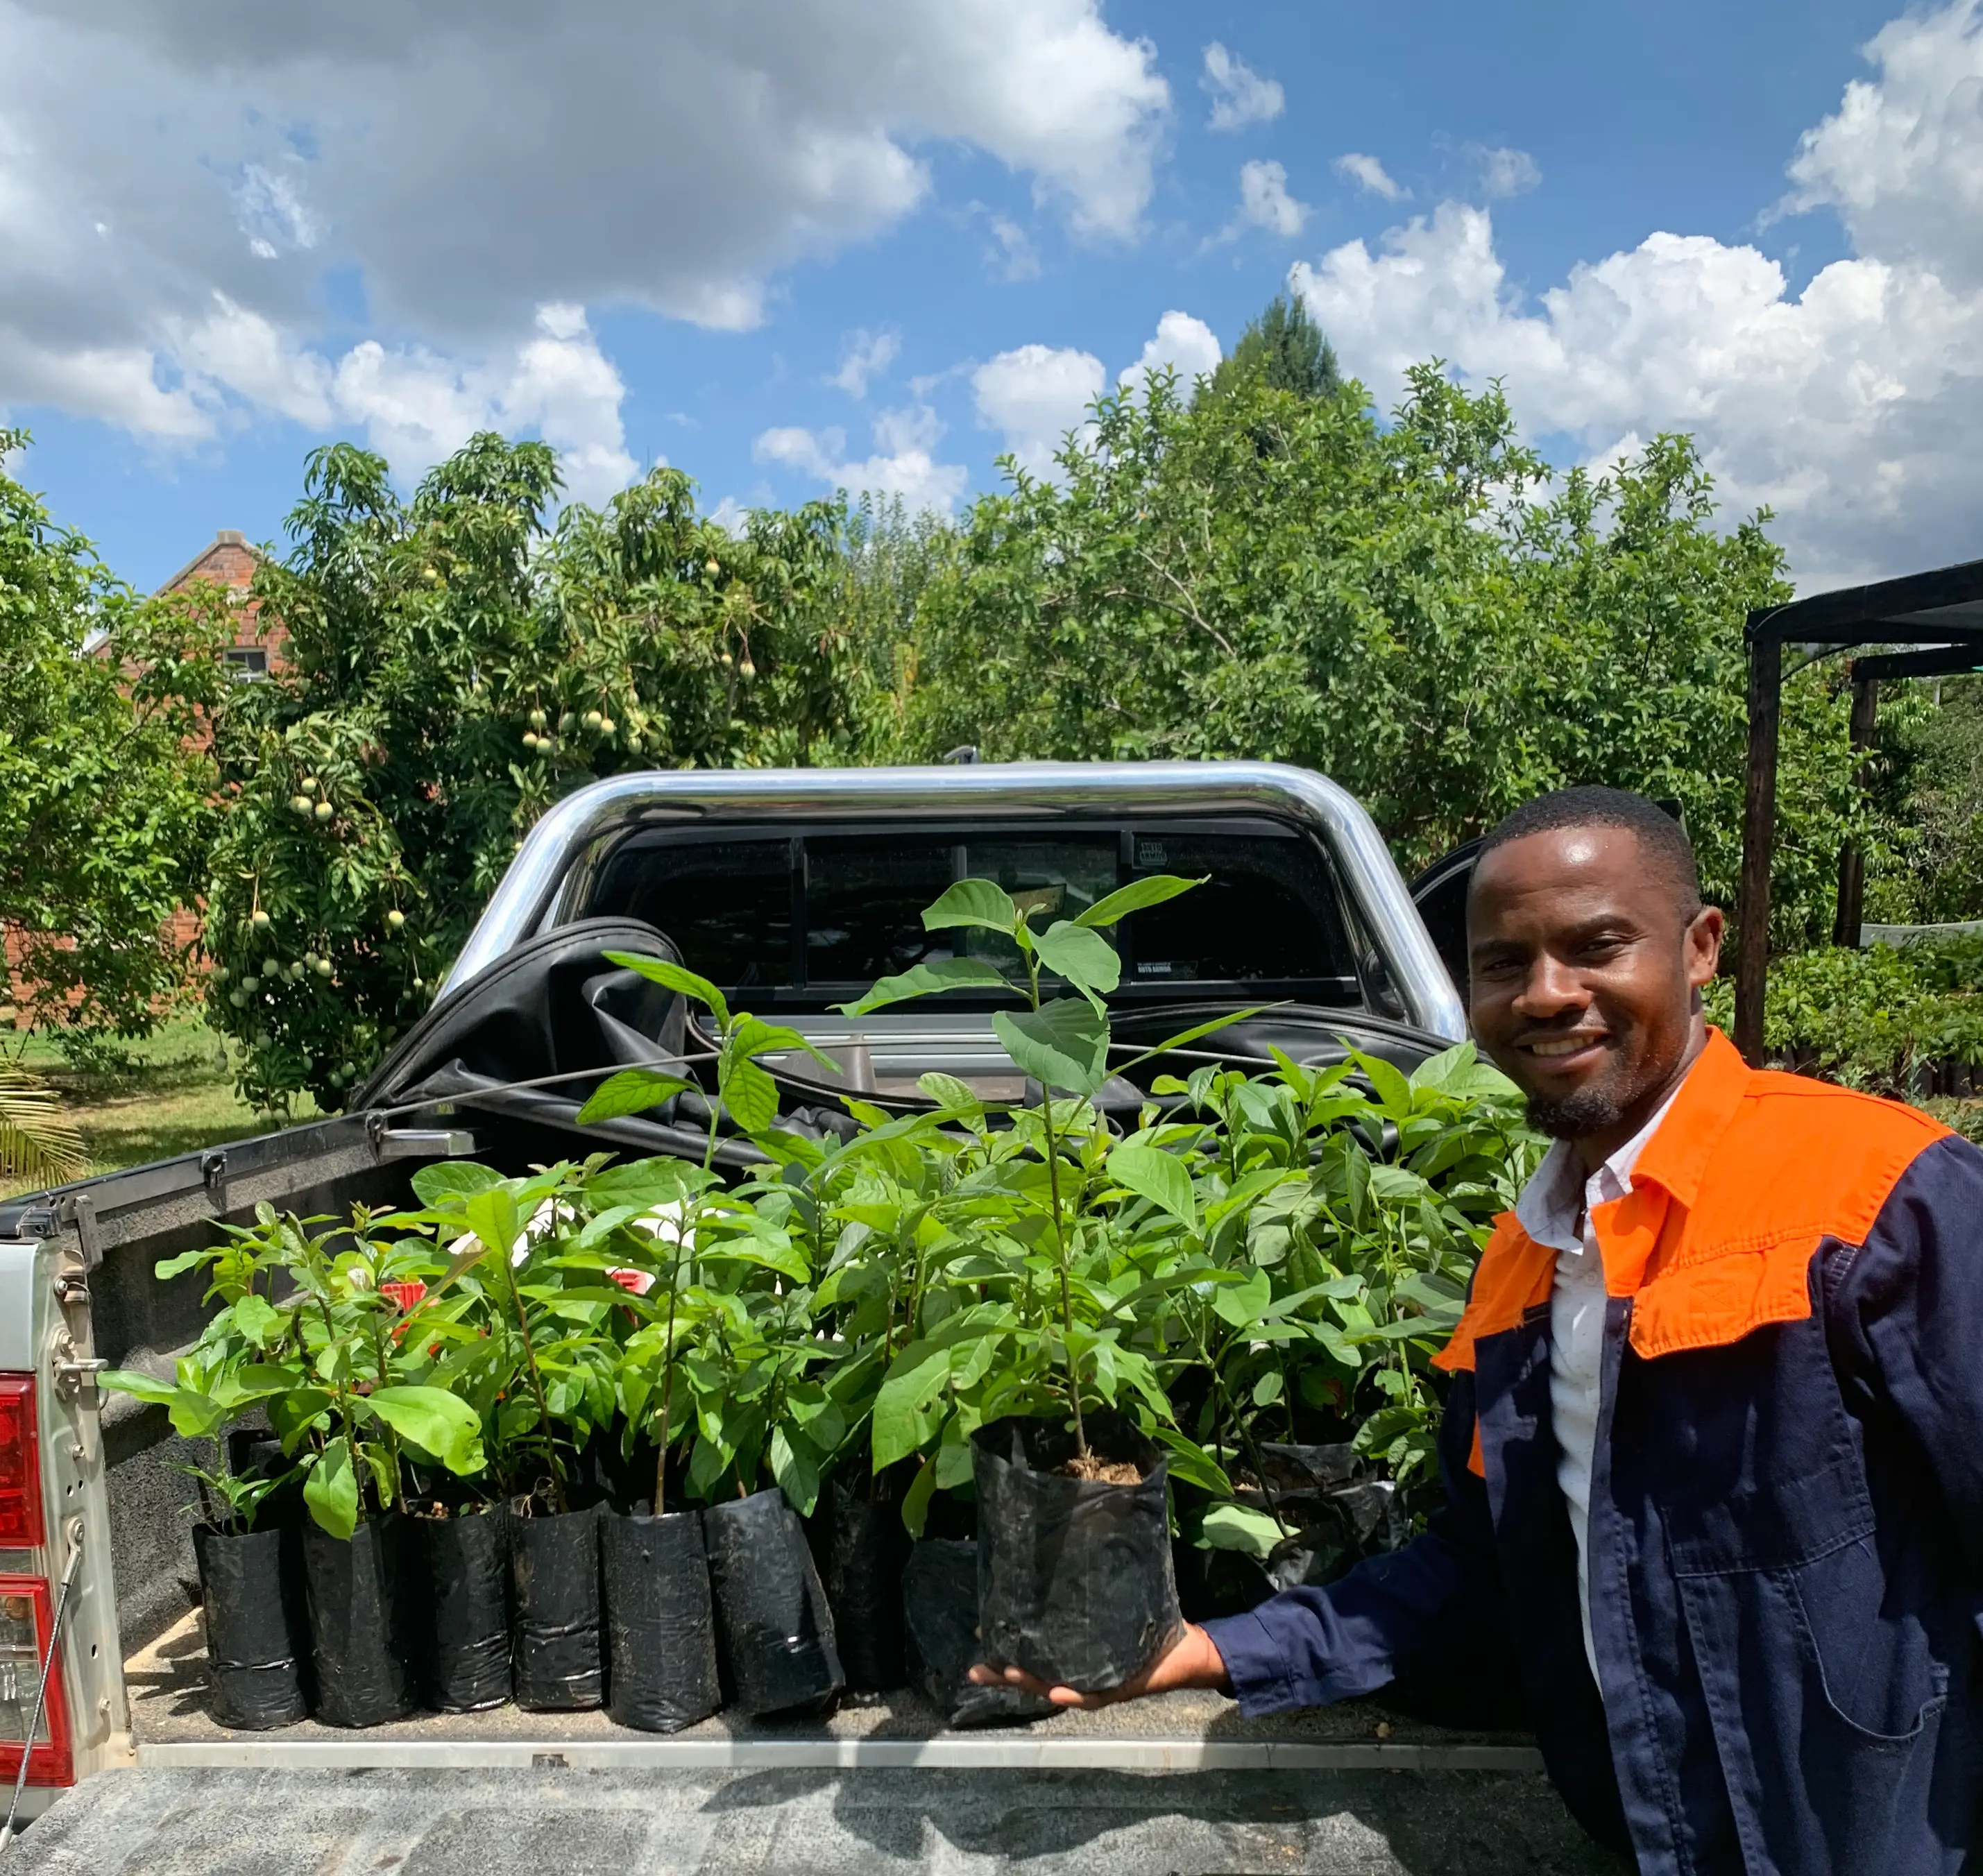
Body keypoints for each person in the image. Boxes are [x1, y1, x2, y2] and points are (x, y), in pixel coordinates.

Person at [971, 785, 1982, 1875]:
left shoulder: (1872, 1192)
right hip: (1647, 1834)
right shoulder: (1525, 1259)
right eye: (1503, 964)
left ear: (1697, 949)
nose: (1547, 995)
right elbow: (1481, 1573)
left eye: (1596, 947)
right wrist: (1209, 1648)